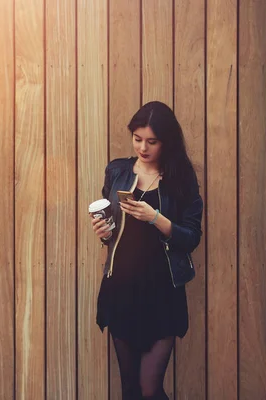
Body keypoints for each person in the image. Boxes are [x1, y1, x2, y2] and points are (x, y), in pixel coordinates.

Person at [91, 101, 203, 399]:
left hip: (163, 293)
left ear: (166, 141)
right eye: (137, 139)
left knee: (149, 389)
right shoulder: (117, 172)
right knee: (130, 389)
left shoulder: (181, 178)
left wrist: (154, 217)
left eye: (151, 141)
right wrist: (104, 234)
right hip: (122, 290)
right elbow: (112, 231)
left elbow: (191, 237)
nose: (143, 147)